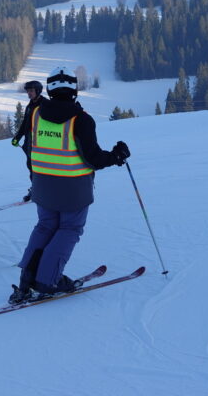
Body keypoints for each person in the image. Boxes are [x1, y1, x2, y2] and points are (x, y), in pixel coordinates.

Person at [9, 66, 131, 304]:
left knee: (45, 226)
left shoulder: (36, 114)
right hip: (73, 187)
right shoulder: (81, 119)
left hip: (43, 183)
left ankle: (28, 278)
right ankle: (47, 280)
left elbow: (31, 148)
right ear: (74, 89)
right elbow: (93, 158)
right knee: (68, 229)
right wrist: (116, 156)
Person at [11, 80, 47, 202]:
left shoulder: (46, 105)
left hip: (42, 142)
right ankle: (36, 189)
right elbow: (25, 124)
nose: (29, 93)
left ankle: (44, 190)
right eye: (28, 91)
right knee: (31, 166)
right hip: (29, 142)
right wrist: (17, 137)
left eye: (31, 91)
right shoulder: (30, 105)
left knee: (41, 167)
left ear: (37, 91)